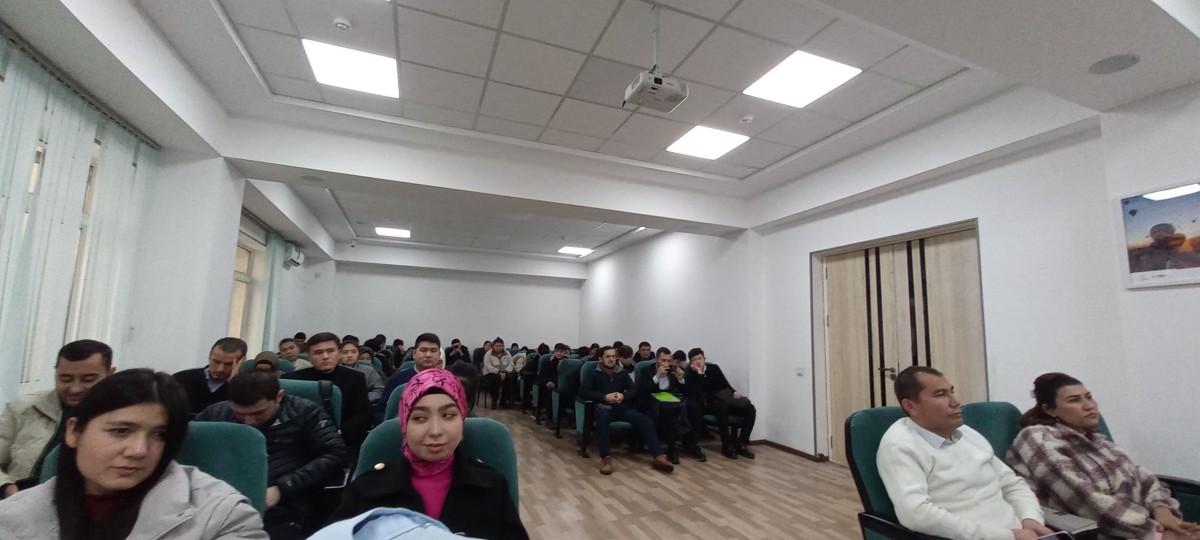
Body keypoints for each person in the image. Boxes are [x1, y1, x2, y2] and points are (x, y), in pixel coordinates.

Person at [0, 369, 266, 540]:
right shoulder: (12, 515)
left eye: (159, 435)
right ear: (73, 432)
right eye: (120, 431)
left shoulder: (221, 515)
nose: (139, 451)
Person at [329, 369, 528, 540]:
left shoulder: (492, 486)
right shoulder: (366, 490)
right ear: (405, 424)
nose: (435, 431)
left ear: (462, 421)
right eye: (419, 418)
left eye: (448, 416)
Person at [1007, 373, 1198, 540]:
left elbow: (1144, 478)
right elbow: (1088, 501)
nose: (1088, 406)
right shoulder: (1038, 438)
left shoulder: (1099, 442)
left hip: (1143, 527)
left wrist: (1163, 511)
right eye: (1074, 400)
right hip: (1097, 533)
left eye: (1089, 397)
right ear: (1049, 409)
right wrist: (1157, 534)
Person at [877, 366, 1049, 540]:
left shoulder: (965, 433)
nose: (955, 402)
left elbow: (1011, 484)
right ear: (910, 406)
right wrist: (1007, 536)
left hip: (1021, 534)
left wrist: (1031, 518)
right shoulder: (900, 446)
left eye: (952, 392)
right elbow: (916, 514)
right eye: (940, 394)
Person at [196, 371, 348, 539]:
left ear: (278, 397)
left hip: (285, 503)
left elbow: (335, 454)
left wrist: (283, 488)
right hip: (221, 499)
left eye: (258, 413)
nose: (249, 421)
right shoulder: (215, 414)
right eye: (240, 414)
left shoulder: (306, 412)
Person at [1, 340, 115, 499]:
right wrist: (6, 487)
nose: (75, 388)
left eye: (88, 379)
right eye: (66, 379)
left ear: (110, 373)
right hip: (21, 500)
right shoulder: (25, 408)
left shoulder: (123, 416)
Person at [581, 346, 674, 476]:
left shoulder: (622, 373)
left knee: (646, 421)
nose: (611, 359)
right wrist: (604, 397)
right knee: (602, 421)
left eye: (613, 356)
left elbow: (634, 390)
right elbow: (584, 392)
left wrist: (623, 396)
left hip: (621, 407)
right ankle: (606, 458)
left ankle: (658, 456)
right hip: (602, 408)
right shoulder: (593, 373)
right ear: (601, 359)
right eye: (608, 357)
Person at [282, 332, 371, 453]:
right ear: (309, 357)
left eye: (330, 351)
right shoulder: (292, 380)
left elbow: (363, 415)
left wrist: (337, 434)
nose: (325, 356)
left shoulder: (355, 378)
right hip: (301, 442)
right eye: (318, 353)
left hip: (343, 441)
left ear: (339, 353)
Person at [686, 348, 756, 459]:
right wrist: (700, 373)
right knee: (722, 408)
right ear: (691, 362)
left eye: (699, 358)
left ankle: (741, 444)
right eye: (694, 360)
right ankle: (726, 446)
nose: (698, 361)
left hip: (723, 399)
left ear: (704, 358)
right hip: (708, 404)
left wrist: (734, 392)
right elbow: (698, 392)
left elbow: (725, 384)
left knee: (750, 409)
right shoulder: (690, 373)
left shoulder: (714, 368)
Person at [377, 333, 444, 424]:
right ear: (414, 354)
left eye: (433, 351)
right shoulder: (397, 380)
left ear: (439, 355)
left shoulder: (448, 381)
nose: (428, 355)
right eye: (423, 350)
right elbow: (380, 412)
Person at [173, 337, 247, 416]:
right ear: (210, 356)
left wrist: (234, 384)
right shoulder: (182, 379)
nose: (220, 369)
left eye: (228, 364)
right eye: (216, 362)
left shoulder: (248, 386)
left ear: (242, 362)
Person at [1128, 223, 1200, 272]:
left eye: (1166, 232)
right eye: (1157, 232)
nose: (1161, 235)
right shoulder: (1139, 254)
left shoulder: (1181, 253)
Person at [340, 341, 384, 407]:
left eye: (354, 352)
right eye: (345, 352)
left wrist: (362, 399)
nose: (350, 355)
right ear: (338, 354)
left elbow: (379, 390)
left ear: (358, 354)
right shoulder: (333, 370)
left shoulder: (368, 370)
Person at [535, 344, 569, 428]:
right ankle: (549, 418)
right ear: (554, 352)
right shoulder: (548, 362)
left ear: (565, 353)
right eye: (557, 351)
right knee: (551, 394)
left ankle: (564, 417)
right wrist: (548, 382)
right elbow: (541, 376)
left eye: (561, 351)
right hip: (548, 385)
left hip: (561, 385)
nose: (559, 353)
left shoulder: (568, 363)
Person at [481, 338, 513, 409]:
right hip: (490, 372)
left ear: (503, 346)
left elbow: (511, 364)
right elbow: (488, 366)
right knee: (495, 378)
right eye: (496, 346)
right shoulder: (488, 354)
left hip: (504, 372)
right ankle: (494, 401)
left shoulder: (507, 353)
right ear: (493, 346)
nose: (498, 347)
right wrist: (498, 372)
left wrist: (505, 372)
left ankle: (503, 402)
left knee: (509, 378)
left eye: (500, 346)